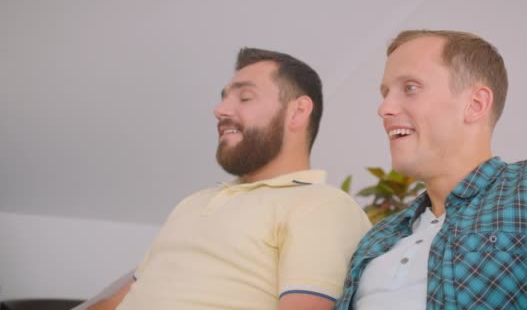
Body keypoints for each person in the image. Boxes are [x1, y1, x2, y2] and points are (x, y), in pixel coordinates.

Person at [334, 30, 527, 309]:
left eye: (410, 88)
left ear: (475, 105)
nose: (384, 108)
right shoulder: (376, 238)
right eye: (385, 93)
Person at [88, 48, 371, 310]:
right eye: (223, 97)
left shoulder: (323, 205)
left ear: (297, 112)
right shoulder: (192, 203)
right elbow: (124, 298)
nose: (219, 110)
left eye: (245, 97)